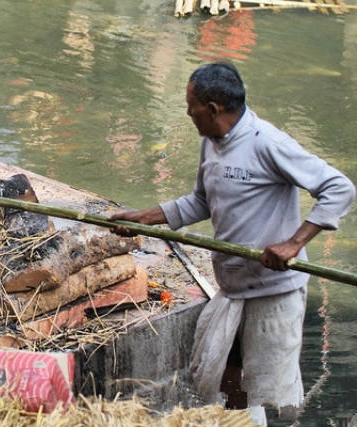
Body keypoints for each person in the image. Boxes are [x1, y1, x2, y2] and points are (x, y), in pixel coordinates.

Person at [109, 62, 355, 425]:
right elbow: (200, 202)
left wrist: (293, 243)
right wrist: (142, 219)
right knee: (226, 378)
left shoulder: (268, 143)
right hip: (233, 286)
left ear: (211, 109)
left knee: (264, 389)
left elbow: (339, 188)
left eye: (190, 105)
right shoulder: (212, 144)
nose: (187, 112)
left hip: (272, 290)